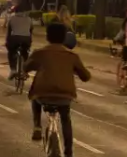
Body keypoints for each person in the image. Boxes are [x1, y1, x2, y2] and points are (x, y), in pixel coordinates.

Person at [24, 22, 91, 157]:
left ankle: (37, 126)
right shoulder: (72, 56)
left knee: (34, 99)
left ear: (47, 37)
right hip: (65, 95)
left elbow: (26, 67)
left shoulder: (40, 53)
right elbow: (86, 76)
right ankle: (68, 151)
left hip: (43, 94)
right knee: (65, 118)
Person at [6, 4, 35, 79]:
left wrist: (7, 42)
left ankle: (13, 69)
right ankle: (25, 71)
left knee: (11, 52)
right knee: (25, 53)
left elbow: (9, 32)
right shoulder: (29, 19)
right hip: (26, 39)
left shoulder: (12, 19)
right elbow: (31, 30)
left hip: (14, 39)